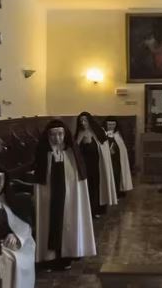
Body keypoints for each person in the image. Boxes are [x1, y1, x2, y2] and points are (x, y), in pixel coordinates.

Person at [33, 119, 96, 269]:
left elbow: (77, 178)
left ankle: (69, 253)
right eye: (53, 135)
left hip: (69, 198)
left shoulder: (72, 152)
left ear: (65, 134)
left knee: (69, 223)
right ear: (48, 136)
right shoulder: (43, 153)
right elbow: (41, 178)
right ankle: (49, 257)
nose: (57, 138)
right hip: (49, 198)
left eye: (60, 134)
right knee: (49, 223)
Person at [0, 172, 39, 288]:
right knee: (6, 260)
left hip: (9, 243)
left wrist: (15, 235)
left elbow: (22, 225)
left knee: (16, 259)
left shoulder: (8, 201)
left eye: (0, 180)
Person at [75, 112, 118, 217]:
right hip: (86, 166)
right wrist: (80, 138)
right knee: (89, 188)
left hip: (98, 164)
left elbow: (104, 146)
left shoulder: (98, 132)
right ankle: (89, 211)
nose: (83, 123)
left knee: (97, 187)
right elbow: (75, 149)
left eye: (85, 120)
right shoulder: (79, 133)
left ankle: (98, 210)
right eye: (81, 121)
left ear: (89, 121)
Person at [104, 117, 134, 198]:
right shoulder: (103, 134)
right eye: (109, 124)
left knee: (117, 176)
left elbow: (122, 149)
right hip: (107, 160)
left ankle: (117, 193)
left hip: (116, 160)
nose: (111, 126)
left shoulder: (118, 135)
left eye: (113, 124)